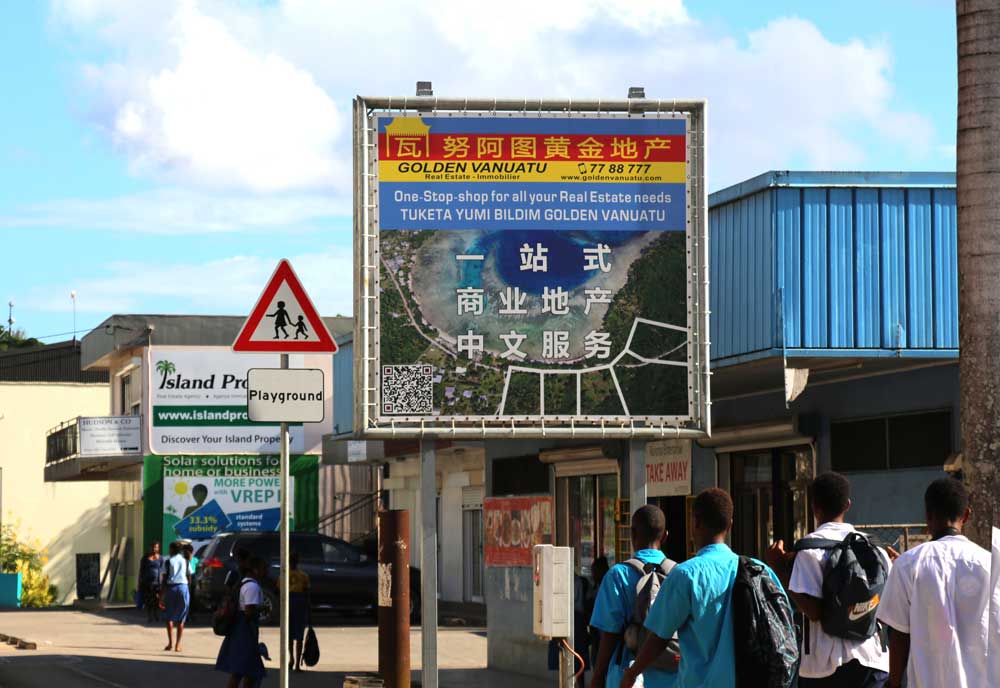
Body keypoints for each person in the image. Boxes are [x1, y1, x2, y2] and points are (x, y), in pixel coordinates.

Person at [621, 488, 785, 688]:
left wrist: (631, 674)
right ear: (730, 525)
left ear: (695, 523)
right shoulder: (760, 571)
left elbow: (658, 637)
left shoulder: (685, 575)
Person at [766, 472, 891, 687]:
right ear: (848, 505)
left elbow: (814, 611)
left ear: (814, 506)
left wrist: (778, 569)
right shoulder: (874, 549)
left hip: (824, 666)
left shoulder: (808, 551)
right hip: (873, 660)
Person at [876, 477, 991, 688]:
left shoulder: (908, 564)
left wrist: (893, 684)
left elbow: (899, 636)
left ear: (928, 516)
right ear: (966, 515)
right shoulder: (990, 564)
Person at [590, 506, 677, 688]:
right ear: (665, 536)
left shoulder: (617, 575)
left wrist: (598, 677)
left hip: (626, 677)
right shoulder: (679, 573)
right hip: (673, 676)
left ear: (632, 534)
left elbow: (609, 634)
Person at [216, 556, 268, 687]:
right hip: (244, 632)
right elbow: (249, 611)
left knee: (246, 671)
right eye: (264, 568)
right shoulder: (252, 587)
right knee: (241, 671)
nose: (266, 571)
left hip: (241, 630)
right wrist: (262, 608)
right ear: (255, 570)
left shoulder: (244, 583)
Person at [278, 551, 311, 672]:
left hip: (290, 602)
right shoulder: (303, 575)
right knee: (297, 635)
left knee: (291, 634)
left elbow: (279, 592)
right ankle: (295, 662)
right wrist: (309, 609)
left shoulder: (284, 575)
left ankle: (293, 660)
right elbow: (307, 593)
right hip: (298, 603)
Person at [160, 541, 190, 652]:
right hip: (183, 587)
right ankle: (178, 645)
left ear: (172, 549)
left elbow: (164, 579)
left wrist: (161, 596)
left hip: (171, 588)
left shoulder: (168, 561)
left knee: (169, 616)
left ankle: (170, 643)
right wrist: (187, 590)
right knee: (181, 618)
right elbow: (189, 576)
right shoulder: (186, 561)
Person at [138, 541, 163, 623]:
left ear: (158, 548)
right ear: (149, 548)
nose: (154, 549)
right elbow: (141, 571)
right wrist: (139, 582)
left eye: (156, 547)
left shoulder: (160, 558)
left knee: (156, 600)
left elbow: (163, 570)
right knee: (148, 600)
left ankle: (156, 614)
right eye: (152, 547)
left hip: (157, 584)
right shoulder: (145, 558)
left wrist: (162, 582)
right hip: (147, 583)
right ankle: (149, 616)